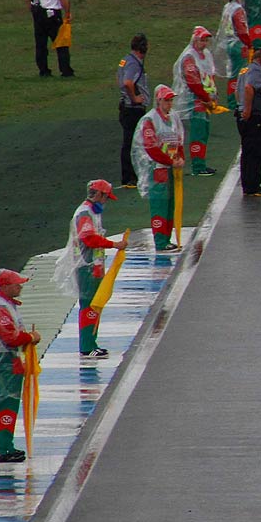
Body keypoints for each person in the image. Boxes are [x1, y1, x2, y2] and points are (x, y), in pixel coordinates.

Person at [0, 268, 41, 463]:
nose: (20, 286)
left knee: (8, 403)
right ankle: (4, 448)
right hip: (5, 361)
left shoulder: (4, 304)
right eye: (16, 284)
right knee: (6, 403)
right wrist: (31, 337)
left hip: (8, 360)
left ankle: (5, 446)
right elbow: (10, 337)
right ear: (5, 286)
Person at [60, 179, 127, 359]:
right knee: (90, 305)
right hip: (86, 267)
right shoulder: (85, 214)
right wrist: (114, 244)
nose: (106, 201)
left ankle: (91, 344)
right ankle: (87, 346)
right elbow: (89, 239)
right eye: (105, 197)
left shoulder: (90, 212)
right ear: (98, 195)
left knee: (93, 305)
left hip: (92, 266)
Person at [133, 85, 184, 251]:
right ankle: (161, 241)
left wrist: (180, 157)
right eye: (166, 100)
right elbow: (151, 148)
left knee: (170, 204)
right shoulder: (150, 120)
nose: (170, 103)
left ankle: (167, 238)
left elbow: (179, 139)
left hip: (171, 168)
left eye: (171, 100)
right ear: (159, 100)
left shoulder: (174, 117)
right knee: (160, 205)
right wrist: (170, 161)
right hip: (157, 169)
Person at [171, 26, 219, 176]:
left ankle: (201, 163)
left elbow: (209, 76)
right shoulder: (189, 57)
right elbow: (193, 83)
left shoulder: (205, 55)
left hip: (204, 99)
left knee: (203, 131)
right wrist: (206, 97)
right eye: (202, 40)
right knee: (198, 132)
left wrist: (213, 93)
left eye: (206, 40)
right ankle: (198, 167)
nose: (204, 43)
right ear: (195, 40)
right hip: (194, 100)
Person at [23, 0, 72, 78]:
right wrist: (67, 12)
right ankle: (65, 71)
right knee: (61, 43)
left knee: (40, 45)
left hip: (38, 13)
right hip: (52, 14)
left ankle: (43, 71)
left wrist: (33, 11)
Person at [238, 43, 261, 198]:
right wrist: (248, 110)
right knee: (256, 152)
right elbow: (248, 88)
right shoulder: (256, 71)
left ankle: (248, 185)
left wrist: (242, 109)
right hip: (254, 117)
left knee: (248, 151)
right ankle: (253, 186)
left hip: (245, 117)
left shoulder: (244, 70)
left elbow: (236, 92)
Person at [116, 33, 149, 188]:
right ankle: (129, 177)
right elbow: (128, 82)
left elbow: (119, 80)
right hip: (132, 108)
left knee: (129, 142)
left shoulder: (125, 60)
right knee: (131, 143)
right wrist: (135, 98)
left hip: (126, 106)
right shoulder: (134, 63)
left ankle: (129, 176)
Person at [215, 0, 250, 110]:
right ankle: (235, 101)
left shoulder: (227, 7)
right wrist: (249, 44)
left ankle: (232, 100)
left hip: (229, 43)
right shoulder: (238, 9)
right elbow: (242, 30)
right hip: (238, 44)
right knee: (239, 74)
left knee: (233, 73)